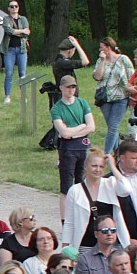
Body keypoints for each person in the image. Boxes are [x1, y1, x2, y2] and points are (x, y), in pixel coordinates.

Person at [62, 149, 132, 249]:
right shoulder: (75, 190)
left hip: (111, 245)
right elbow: (69, 222)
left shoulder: (110, 183)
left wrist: (113, 167)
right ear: (86, 166)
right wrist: (65, 247)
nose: (97, 170)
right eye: (94, 166)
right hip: (85, 244)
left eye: (101, 166)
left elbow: (126, 190)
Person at [51, 75, 97, 219]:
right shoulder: (57, 108)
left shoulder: (82, 103)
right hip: (67, 150)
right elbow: (63, 132)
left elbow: (91, 126)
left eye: (73, 87)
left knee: (83, 183)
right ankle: (65, 220)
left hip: (83, 147)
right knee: (66, 187)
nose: (71, 90)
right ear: (61, 88)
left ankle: (84, 216)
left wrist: (73, 133)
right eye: (68, 87)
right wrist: (82, 126)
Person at [92, 36, 134, 154]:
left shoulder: (123, 59)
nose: (100, 50)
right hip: (104, 99)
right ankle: (117, 153)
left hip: (120, 98)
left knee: (113, 128)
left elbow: (132, 76)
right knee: (112, 128)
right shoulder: (100, 60)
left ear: (109, 47)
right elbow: (97, 77)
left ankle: (105, 155)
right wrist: (102, 61)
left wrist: (130, 88)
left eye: (102, 47)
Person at [1, 0, 30, 105]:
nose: (14, 8)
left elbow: (27, 32)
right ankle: (7, 96)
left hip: (22, 49)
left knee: (22, 73)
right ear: (9, 8)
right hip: (10, 50)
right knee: (9, 73)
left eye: (16, 6)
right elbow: (9, 31)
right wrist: (22, 31)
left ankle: (24, 96)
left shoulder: (23, 19)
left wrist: (17, 32)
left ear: (18, 8)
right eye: (12, 6)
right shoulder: (6, 19)